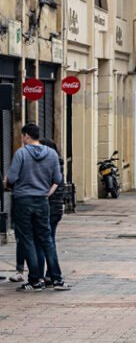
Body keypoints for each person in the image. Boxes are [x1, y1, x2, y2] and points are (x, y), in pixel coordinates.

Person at [3, 123, 69, 291]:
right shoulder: (52, 154)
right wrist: (46, 193)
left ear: (26, 136)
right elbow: (57, 178)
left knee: (27, 239)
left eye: (22, 136)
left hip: (23, 200)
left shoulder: (21, 153)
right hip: (42, 201)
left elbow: (12, 177)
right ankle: (58, 279)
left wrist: (9, 182)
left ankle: (35, 280)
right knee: (46, 239)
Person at [37, 138, 65, 287]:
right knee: (50, 241)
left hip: (47, 209)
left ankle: (41, 276)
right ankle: (50, 274)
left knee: (43, 243)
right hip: (56, 209)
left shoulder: (48, 165)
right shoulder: (58, 164)